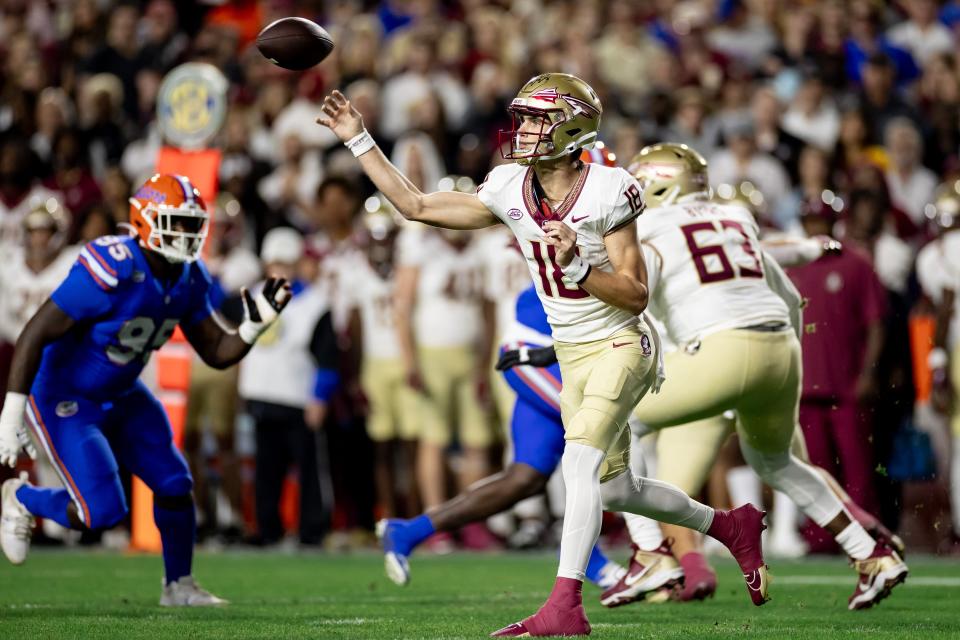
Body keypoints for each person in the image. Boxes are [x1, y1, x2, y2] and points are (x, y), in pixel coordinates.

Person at [317, 74, 768, 637]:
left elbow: (635, 293)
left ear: (572, 127)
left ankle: (564, 607)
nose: (523, 129)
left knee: (576, 463)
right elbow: (416, 205)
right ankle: (729, 525)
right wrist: (359, 139)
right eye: (524, 117)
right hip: (572, 353)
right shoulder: (509, 186)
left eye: (536, 119)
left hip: (622, 342)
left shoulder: (611, 188)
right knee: (617, 487)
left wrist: (581, 267)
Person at [503, 143, 908, 611]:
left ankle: (652, 555)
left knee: (611, 423)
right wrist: (781, 364)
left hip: (714, 351)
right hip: (781, 349)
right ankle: (872, 555)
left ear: (654, 184)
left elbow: (629, 305)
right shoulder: (737, 218)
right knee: (777, 462)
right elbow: (790, 297)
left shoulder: (649, 226)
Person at [0, 174, 292, 605]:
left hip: (122, 392)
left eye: (193, 225)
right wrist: (11, 411)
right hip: (65, 395)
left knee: (175, 483)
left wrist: (251, 327)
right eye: (177, 222)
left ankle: (179, 586)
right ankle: (22, 497)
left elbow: (216, 350)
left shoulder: (188, 278)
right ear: (145, 221)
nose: (187, 235)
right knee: (102, 512)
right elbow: (35, 332)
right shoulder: (113, 265)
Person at [238, 227, 339, 547]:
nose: (279, 271)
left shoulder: (315, 303)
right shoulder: (250, 296)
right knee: (266, 469)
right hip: (261, 394)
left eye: (286, 264)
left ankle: (312, 530)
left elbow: (327, 358)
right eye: (275, 264)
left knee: (309, 469)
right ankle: (267, 529)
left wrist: (319, 398)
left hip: (298, 397)